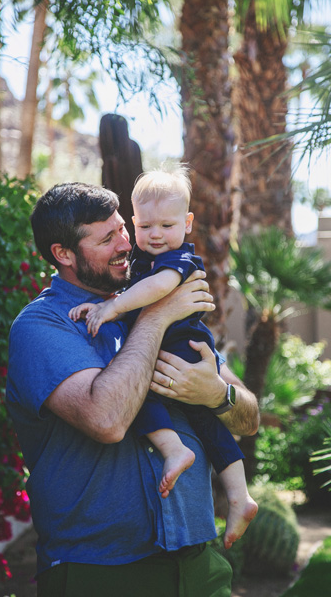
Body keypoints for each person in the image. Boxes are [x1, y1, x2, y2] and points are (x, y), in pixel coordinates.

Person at [6, 182, 260, 597]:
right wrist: (156, 317)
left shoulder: (155, 294)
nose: (128, 243)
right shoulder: (42, 326)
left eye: (123, 228)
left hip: (198, 563)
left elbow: (247, 418)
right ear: (63, 254)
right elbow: (107, 420)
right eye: (108, 238)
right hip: (101, 570)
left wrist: (216, 394)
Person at [68, 166, 257, 548]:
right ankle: (240, 497)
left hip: (182, 351)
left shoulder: (180, 260)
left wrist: (113, 308)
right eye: (146, 226)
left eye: (167, 226)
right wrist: (98, 304)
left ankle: (178, 453)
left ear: (187, 224)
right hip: (173, 352)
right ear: (135, 223)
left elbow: (157, 289)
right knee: (208, 426)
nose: (156, 235)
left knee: (145, 394)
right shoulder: (139, 264)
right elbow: (136, 292)